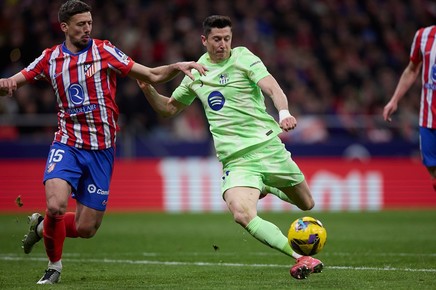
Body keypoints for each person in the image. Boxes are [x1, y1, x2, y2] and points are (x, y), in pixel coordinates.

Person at [0, 0, 206, 285]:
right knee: (57, 206)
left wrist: (176, 65)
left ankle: (41, 227)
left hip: (102, 150)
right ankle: (54, 267)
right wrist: (7, 83)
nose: (87, 28)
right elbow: (14, 80)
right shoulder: (50, 58)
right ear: (64, 27)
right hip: (67, 144)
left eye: (89, 23)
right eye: (81, 24)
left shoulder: (104, 51)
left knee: (86, 228)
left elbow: (150, 74)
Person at [137, 15, 323, 280]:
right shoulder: (196, 73)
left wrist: (283, 112)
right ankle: (300, 257)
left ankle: (266, 185)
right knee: (240, 213)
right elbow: (168, 109)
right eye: (216, 39)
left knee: (307, 203)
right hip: (236, 160)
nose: (223, 44)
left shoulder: (243, 57)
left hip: (267, 146)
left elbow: (271, 86)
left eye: (227, 38)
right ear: (204, 41)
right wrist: (147, 89)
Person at [383, 25, 436, 192]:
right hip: (428, 119)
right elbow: (412, 69)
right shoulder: (423, 35)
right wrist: (394, 100)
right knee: (433, 172)